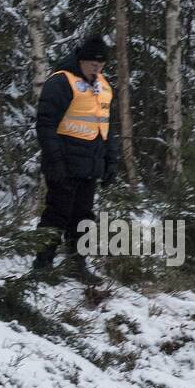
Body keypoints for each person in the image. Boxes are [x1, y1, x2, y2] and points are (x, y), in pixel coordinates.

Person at [33, 35, 118, 280]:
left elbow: (106, 126)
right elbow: (45, 124)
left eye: (101, 64)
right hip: (64, 163)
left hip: (90, 165)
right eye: (92, 63)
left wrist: (110, 161)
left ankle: (77, 265)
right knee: (56, 214)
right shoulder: (61, 81)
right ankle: (42, 264)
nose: (97, 67)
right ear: (80, 59)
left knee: (83, 216)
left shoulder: (104, 86)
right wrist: (54, 162)